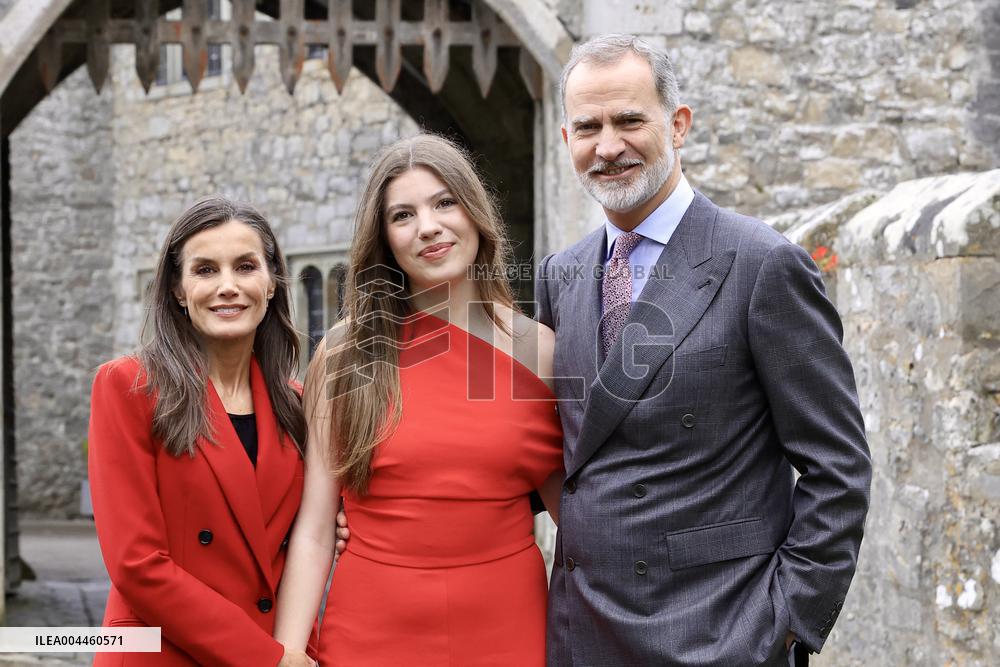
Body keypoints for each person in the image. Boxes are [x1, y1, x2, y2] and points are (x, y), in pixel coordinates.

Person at [532, 34, 873, 666]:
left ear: (678, 124)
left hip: (721, 630)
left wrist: (788, 620)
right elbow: (555, 449)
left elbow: (837, 466)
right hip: (583, 631)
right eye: (588, 127)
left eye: (630, 120)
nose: (608, 146)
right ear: (565, 140)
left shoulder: (761, 264)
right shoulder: (562, 274)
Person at [273, 134, 564, 666]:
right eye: (403, 214)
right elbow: (315, 526)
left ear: (474, 213)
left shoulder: (540, 352)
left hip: (508, 625)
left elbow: (580, 516)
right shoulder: (345, 355)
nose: (427, 226)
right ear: (384, 239)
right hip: (371, 628)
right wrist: (289, 651)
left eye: (444, 202)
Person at [87, 196, 315, 667]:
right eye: (206, 270)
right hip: (164, 653)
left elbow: (306, 537)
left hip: (272, 646)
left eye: (246, 267)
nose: (228, 287)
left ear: (271, 283)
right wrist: (264, 658)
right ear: (177, 288)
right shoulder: (128, 387)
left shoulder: (298, 403)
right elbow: (137, 565)